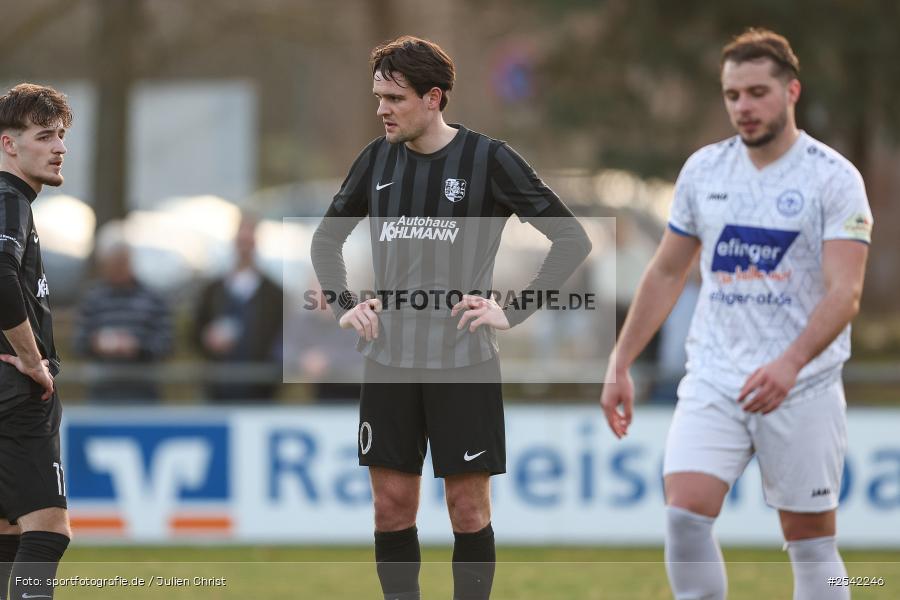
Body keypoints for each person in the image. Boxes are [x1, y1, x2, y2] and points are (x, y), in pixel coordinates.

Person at [311, 36, 591, 600]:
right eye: (378, 97)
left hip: (464, 362)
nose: (382, 109)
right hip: (389, 362)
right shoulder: (375, 159)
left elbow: (571, 238)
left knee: (467, 509)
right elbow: (326, 240)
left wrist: (512, 311)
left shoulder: (488, 159)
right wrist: (346, 304)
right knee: (391, 507)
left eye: (394, 98)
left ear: (434, 98)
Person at [600, 29, 872, 600]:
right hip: (715, 377)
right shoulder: (704, 171)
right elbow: (668, 271)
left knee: (812, 545)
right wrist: (620, 361)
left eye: (757, 92)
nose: (743, 108)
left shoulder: (834, 178)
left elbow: (845, 292)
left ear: (791, 91)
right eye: (732, 95)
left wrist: (791, 364)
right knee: (684, 515)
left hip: (803, 385)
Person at [0, 83, 75, 600]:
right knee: (48, 530)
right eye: (45, 136)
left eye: (62, 136)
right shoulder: (10, 202)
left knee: (7, 529)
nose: (59, 147)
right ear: (9, 145)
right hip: (15, 390)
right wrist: (33, 360)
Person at [194, 213, 283, 403]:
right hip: (218, 388)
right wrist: (207, 338)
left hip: (261, 390)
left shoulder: (274, 294)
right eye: (241, 240)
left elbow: (282, 338)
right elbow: (194, 330)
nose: (244, 246)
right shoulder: (213, 291)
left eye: (249, 240)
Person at [74, 237, 173, 402]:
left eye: (121, 263)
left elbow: (166, 343)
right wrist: (96, 344)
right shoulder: (93, 299)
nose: (117, 269)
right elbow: (78, 343)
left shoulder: (153, 298)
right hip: (101, 392)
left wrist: (137, 347)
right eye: (113, 264)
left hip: (144, 392)